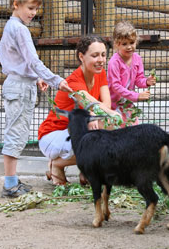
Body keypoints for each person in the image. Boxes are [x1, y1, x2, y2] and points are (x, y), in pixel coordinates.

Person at [0, 0, 73, 198]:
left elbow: (23, 62)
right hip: (19, 86)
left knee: (18, 133)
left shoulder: (11, 27)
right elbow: (33, 60)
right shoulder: (19, 29)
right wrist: (56, 80)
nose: (34, 13)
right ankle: (10, 185)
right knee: (15, 134)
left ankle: (12, 181)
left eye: (36, 9)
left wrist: (38, 78)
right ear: (16, 4)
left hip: (21, 83)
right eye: (30, 8)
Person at [38, 35, 120, 186]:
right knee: (104, 127)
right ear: (81, 56)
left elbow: (106, 103)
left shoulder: (100, 72)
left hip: (72, 133)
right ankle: (57, 165)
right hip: (52, 137)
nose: (101, 60)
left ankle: (86, 172)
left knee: (104, 127)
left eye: (103, 55)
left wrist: (98, 115)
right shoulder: (74, 81)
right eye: (95, 55)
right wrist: (105, 116)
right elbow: (93, 104)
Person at [107, 20, 156, 125]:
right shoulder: (114, 62)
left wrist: (147, 81)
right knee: (118, 130)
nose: (129, 47)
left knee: (133, 127)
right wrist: (136, 96)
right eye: (124, 44)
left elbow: (139, 79)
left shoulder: (137, 59)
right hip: (113, 104)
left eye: (132, 42)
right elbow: (116, 86)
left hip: (128, 104)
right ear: (117, 44)